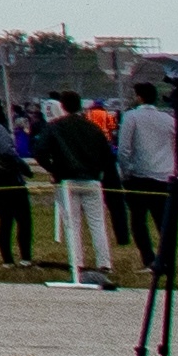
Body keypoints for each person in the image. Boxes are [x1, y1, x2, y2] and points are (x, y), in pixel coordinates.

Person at [44, 95, 118, 288]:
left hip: (67, 180)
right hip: (92, 180)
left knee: (72, 224)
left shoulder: (56, 126)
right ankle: (104, 263)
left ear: (62, 106)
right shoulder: (93, 128)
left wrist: (53, 169)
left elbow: (39, 150)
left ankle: (77, 263)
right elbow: (107, 154)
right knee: (97, 223)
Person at [122, 91, 178, 294]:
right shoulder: (166, 118)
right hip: (164, 176)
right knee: (163, 222)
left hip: (139, 176)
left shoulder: (131, 117)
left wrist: (125, 171)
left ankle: (149, 259)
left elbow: (124, 147)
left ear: (140, 97)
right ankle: (165, 260)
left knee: (138, 220)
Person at [0, 101, 41, 269]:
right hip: (8, 178)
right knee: (23, 219)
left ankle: (7, 260)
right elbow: (7, 151)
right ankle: (25, 258)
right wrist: (24, 167)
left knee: (5, 220)